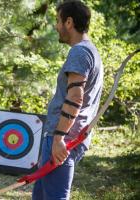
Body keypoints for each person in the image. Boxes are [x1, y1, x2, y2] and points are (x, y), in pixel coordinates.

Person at [32, 1, 103, 199]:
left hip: (64, 138)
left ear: (69, 22)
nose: (56, 26)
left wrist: (59, 139)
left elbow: (75, 97)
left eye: (58, 20)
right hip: (66, 136)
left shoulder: (80, 51)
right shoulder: (91, 51)